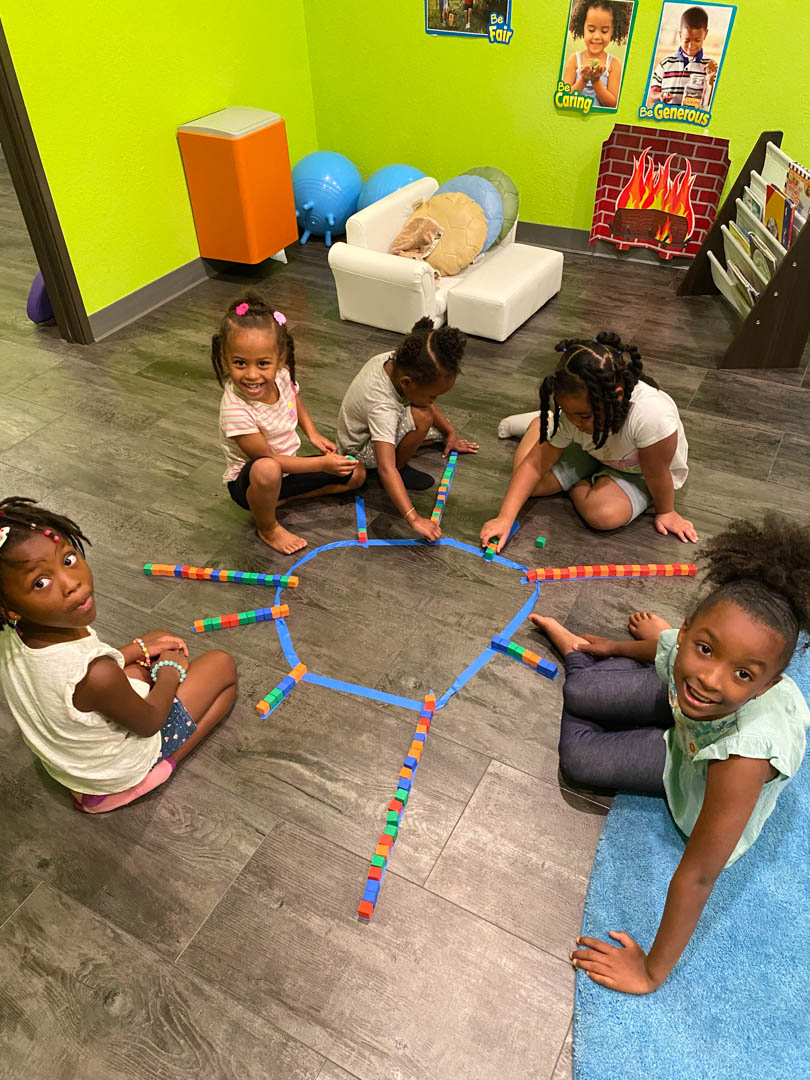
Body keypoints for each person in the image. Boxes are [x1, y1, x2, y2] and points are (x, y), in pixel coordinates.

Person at [530, 514, 810, 994]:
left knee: (578, 758)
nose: (711, 679)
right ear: (685, 633)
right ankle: (581, 658)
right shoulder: (689, 664)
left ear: (768, 686)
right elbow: (668, 652)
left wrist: (650, 972)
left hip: (694, 771)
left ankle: (580, 663)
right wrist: (609, 647)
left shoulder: (745, 758)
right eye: (705, 648)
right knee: (583, 690)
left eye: (744, 674)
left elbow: (699, 875)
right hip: (688, 720)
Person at [0, 497, 237, 812]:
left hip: (72, 763)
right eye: (41, 582)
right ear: (9, 607)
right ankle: (153, 773)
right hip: (114, 771)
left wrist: (137, 649)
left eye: (68, 559)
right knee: (222, 668)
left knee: (148, 652)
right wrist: (170, 671)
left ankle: (106, 782)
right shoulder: (97, 673)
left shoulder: (12, 632)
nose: (71, 584)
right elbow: (149, 722)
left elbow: (77, 682)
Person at [480, 332, 695, 551]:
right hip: (594, 450)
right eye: (567, 414)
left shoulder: (651, 417)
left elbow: (656, 473)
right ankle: (541, 424)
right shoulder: (573, 420)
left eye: (583, 416)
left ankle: (560, 445)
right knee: (528, 484)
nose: (575, 423)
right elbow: (534, 465)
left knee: (604, 516)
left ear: (618, 396)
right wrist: (504, 519)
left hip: (639, 470)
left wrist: (666, 511)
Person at [214, 292, 365, 556]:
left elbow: (293, 398)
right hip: (252, 481)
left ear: (280, 359)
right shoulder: (234, 410)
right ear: (225, 360)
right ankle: (267, 526)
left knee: (357, 474)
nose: (252, 374)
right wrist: (322, 464)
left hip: (287, 470)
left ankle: (278, 499)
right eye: (240, 363)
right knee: (267, 469)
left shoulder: (282, 376)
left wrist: (312, 433)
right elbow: (270, 459)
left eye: (263, 363)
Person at [337, 317, 478, 542]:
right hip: (358, 451)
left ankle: (412, 445)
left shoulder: (396, 362)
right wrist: (414, 518)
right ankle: (400, 467)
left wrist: (450, 433)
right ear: (406, 383)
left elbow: (424, 401)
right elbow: (385, 468)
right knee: (423, 417)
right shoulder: (382, 406)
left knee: (432, 425)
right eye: (433, 395)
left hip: (370, 428)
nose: (434, 400)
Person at [562, 1, 633, 110]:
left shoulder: (614, 65)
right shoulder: (574, 60)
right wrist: (583, 80)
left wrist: (596, 81)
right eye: (591, 30)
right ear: (582, 27)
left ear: (613, 31)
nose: (597, 36)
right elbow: (563, 98)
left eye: (604, 31)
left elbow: (612, 104)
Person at [647, 6, 719, 109]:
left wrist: (710, 77)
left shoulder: (710, 66)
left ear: (705, 34)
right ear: (680, 35)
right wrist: (661, 95)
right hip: (666, 115)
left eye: (697, 40)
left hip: (693, 117)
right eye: (687, 40)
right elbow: (652, 94)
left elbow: (709, 101)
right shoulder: (666, 63)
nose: (691, 46)